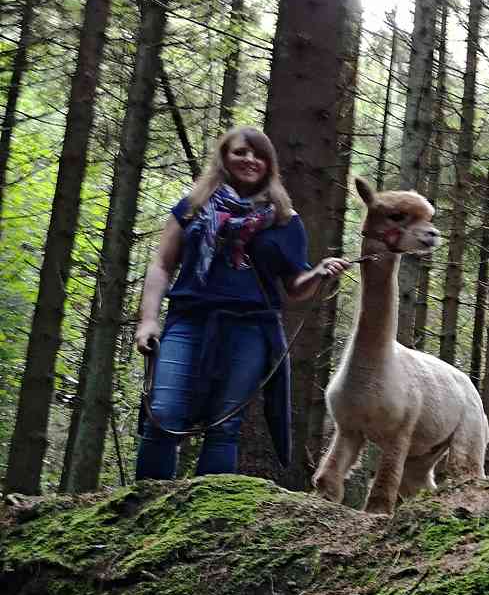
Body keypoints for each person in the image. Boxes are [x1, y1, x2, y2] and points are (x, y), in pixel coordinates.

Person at [132, 127, 349, 480]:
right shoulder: (192, 207)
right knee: (164, 414)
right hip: (188, 321)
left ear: (270, 164)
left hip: (251, 329)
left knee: (224, 425)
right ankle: (143, 505)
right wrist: (148, 320)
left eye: (259, 155)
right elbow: (161, 265)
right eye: (240, 152)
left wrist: (318, 273)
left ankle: (206, 511)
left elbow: (295, 288)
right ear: (224, 158)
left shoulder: (285, 220)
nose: (250, 160)